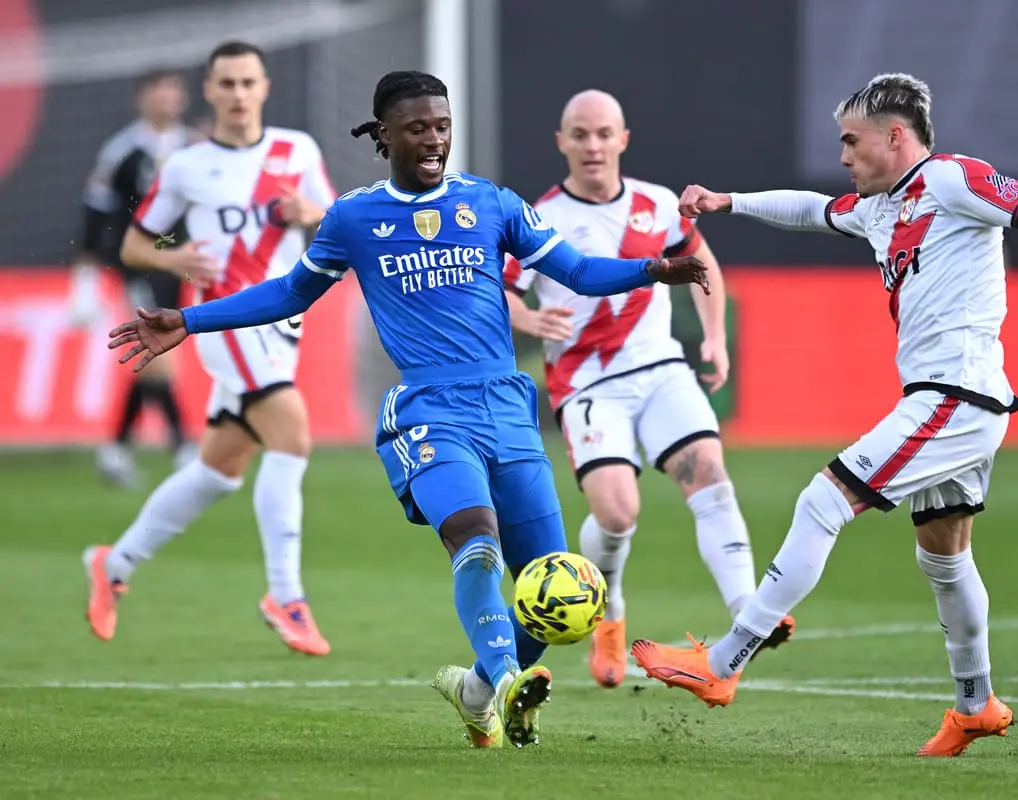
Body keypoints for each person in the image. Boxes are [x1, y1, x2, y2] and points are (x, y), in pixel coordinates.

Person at [105, 70, 710, 748]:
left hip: (508, 409)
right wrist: (189, 319)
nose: (433, 140)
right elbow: (289, 293)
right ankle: (506, 679)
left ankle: (476, 691)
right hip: (430, 410)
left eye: (442, 126)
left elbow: (575, 270)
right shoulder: (354, 217)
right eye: (417, 128)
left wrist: (650, 269)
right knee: (475, 540)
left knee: (550, 586)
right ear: (383, 135)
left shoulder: (490, 203)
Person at [629, 73, 1018, 757]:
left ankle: (724, 662)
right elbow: (810, 209)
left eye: (851, 142)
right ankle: (976, 706)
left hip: (957, 395)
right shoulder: (879, 206)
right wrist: (728, 202)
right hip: (951, 397)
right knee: (944, 556)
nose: (843, 156)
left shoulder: (952, 179)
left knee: (823, 500)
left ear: (895, 136)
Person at [503, 89, 793, 690]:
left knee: (709, 474)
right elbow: (499, 291)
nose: (592, 145)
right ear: (561, 142)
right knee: (616, 513)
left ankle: (748, 614)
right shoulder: (539, 218)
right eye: (580, 134)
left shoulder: (657, 204)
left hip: (661, 369)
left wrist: (714, 339)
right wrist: (527, 317)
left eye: (603, 133)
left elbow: (702, 262)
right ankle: (608, 612)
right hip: (588, 381)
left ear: (623, 139)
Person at [82, 41, 338, 657]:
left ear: (265, 87)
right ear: (211, 91)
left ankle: (114, 563)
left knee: (219, 470)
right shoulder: (187, 166)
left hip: (282, 320)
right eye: (227, 83)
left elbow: (334, 222)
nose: (238, 94)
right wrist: (175, 258)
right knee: (292, 434)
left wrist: (312, 212)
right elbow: (135, 246)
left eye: (248, 82)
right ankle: (286, 595)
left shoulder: (297, 150)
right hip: (223, 319)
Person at [73, 69, 196, 487]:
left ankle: (116, 448)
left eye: (173, 92)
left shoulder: (194, 147)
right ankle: (182, 444)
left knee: (156, 354)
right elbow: (96, 209)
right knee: (160, 350)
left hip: (181, 263)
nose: (166, 100)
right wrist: (86, 270)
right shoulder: (123, 150)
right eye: (158, 92)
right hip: (138, 262)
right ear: (142, 98)